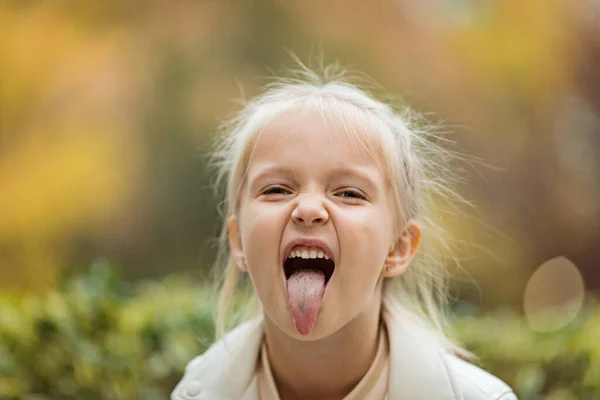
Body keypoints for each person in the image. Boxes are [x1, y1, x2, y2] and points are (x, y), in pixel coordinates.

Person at [172, 63, 518, 400]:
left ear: (398, 248)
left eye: (349, 193)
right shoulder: (198, 392)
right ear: (239, 242)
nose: (308, 209)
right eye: (276, 189)